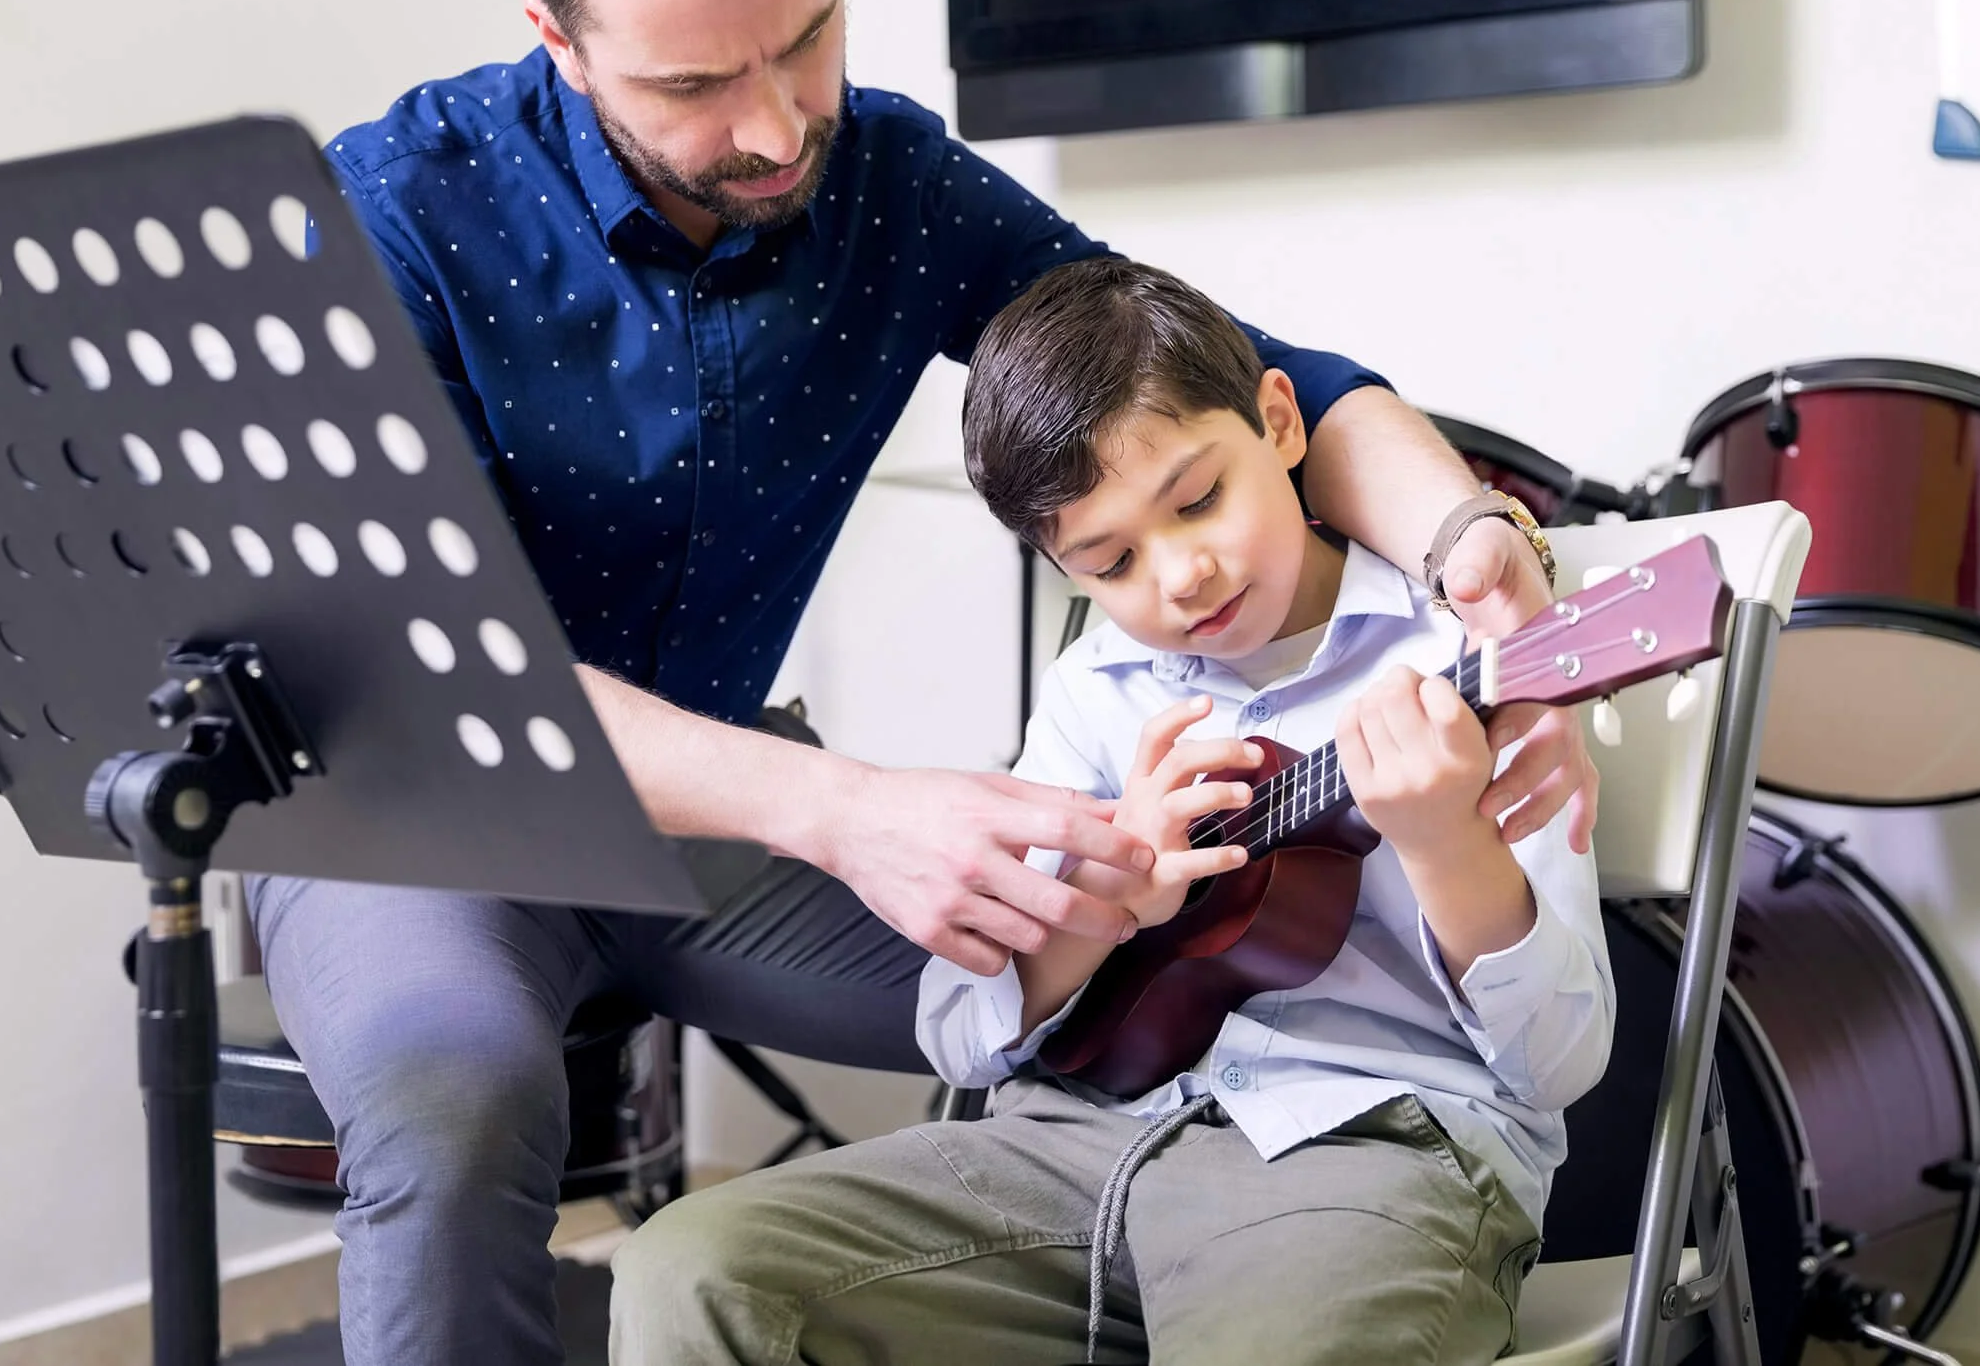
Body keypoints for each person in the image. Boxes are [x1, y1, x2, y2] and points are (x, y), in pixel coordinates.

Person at [251, 0, 1598, 1362]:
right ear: (556, 35)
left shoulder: (884, 174)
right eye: (694, 84)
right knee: (460, 1095)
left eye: (805, 39)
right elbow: (442, 676)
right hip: (430, 811)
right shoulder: (389, 208)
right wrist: (850, 808)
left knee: (1072, 972)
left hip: (709, 834)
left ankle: (1229, 1239)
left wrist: (1464, 536)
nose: (772, 128)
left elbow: (1243, 380)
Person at [607, 259, 1616, 1365]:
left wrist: (1445, 844)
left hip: (1376, 1153)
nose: (1180, 575)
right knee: (691, 1267)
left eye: (1197, 499)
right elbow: (957, 1023)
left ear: (1279, 421)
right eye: (1113, 559)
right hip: (1074, 1145)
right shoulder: (1097, 690)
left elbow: (1559, 1060)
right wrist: (1101, 904)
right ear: (1062, 567)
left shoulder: (1464, 658)